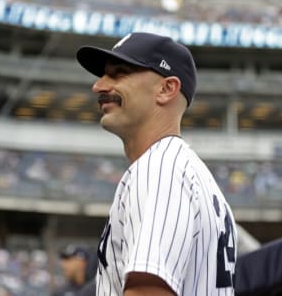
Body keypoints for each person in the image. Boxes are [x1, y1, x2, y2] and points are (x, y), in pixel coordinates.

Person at [76, 32, 238, 296]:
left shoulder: (161, 169)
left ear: (166, 89)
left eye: (118, 74)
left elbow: (149, 292)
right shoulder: (186, 170)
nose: (99, 86)